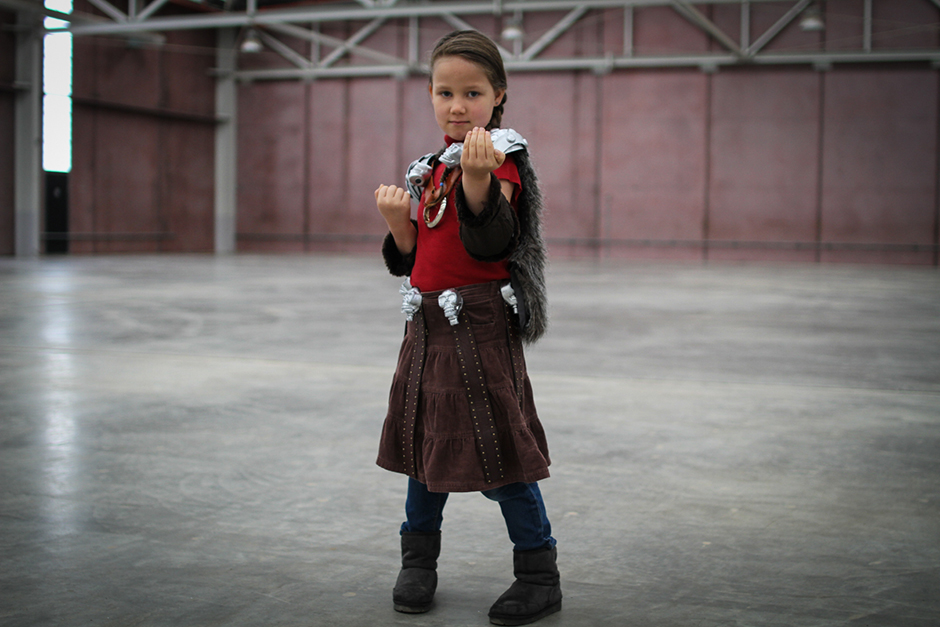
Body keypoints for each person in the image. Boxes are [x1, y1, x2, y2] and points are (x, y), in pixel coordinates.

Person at [373, 30, 559, 626]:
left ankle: (538, 574)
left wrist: (478, 184)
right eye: (445, 92)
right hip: (425, 328)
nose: (458, 105)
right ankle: (418, 563)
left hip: (477, 323)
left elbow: (492, 242)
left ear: (498, 95)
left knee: (499, 454)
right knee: (422, 452)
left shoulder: (497, 157)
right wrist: (398, 222)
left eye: (472, 93)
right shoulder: (428, 169)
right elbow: (414, 258)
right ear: (429, 95)